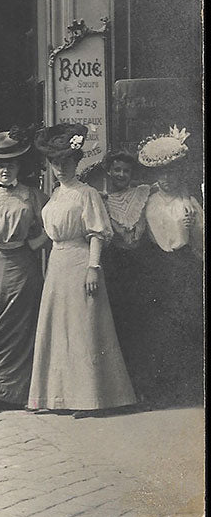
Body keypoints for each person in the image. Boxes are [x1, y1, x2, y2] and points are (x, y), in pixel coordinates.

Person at [27, 124, 137, 417]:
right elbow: (50, 234)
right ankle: (58, 397)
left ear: (77, 163)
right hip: (57, 265)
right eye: (55, 162)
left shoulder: (86, 193)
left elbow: (97, 233)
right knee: (58, 330)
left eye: (66, 162)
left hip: (80, 262)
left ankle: (90, 399)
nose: (60, 168)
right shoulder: (56, 194)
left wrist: (93, 268)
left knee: (83, 329)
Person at [0, 128, 49, 415]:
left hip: (24, 268)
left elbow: (51, 229)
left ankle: (22, 393)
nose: (5, 170)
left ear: (18, 167)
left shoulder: (32, 196)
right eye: (0, 165)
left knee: (23, 329)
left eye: (10, 164)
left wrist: (32, 244)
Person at [136, 125, 204, 406]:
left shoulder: (188, 202)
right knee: (157, 327)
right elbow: (137, 232)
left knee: (185, 323)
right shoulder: (148, 201)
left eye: (172, 173)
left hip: (184, 265)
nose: (166, 179)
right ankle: (158, 390)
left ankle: (185, 388)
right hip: (157, 267)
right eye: (161, 173)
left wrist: (193, 227)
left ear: (179, 173)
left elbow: (201, 239)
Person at [99, 149, 152, 398]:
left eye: (126, 171)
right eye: (117, 170)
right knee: (118, 324)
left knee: (141, 325)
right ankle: (121, 390)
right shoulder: (103, 200)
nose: (121, 174)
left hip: (140, 267)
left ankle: (143, 388)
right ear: (109, 171)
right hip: (115, 267)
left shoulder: (142, 194)